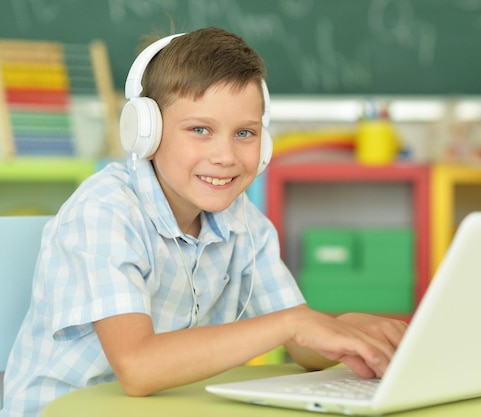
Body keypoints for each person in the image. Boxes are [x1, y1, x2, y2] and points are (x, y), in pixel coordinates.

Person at [0, 27, 407, 417]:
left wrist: (343, 331)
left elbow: (300, 344)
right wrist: (292, 324)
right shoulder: (104, 211)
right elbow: (138, 367)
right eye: (200, 129)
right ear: (146, 132)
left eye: (244, 133)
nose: (226, 156)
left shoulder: (245, 224)